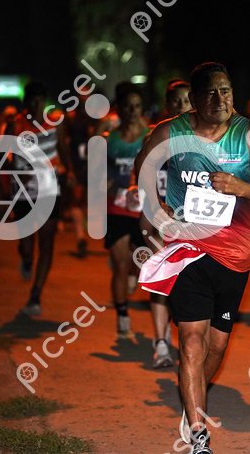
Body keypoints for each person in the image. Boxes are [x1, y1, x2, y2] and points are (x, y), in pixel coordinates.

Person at [135, 62, 250, 453]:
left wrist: (242, 188)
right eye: (212, 92)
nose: (221, 99)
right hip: (187, 247)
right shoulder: (170, 133)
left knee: (216, 346)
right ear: (195, 99)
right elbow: (143, 167)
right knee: (191, 342)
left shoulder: (249, 135)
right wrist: (155, 208)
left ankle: (194, 396)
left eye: (226, 91)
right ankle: (198, 427)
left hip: (236, 253)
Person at [131, 78, 193, 368]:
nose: (182, 106)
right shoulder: (158, 135)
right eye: (176, 101)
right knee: (162, 273)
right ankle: (160, 343)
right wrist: (156, 204)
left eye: (187, 100)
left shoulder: (206, 137)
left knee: (187, 280)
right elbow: (141, 172)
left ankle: (185, 333)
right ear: (167, 105)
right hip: (159, 216)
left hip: (193, 221)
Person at [13, 83, 72, 316]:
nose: (37, 105)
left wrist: (71, 172)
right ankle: (27, 260)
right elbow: (7, 154)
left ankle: (35, 295)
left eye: (40, 100)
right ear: (26, 103)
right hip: (23, 191)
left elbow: (63, 148)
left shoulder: (56, 122)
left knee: (46, 242)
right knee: (27, 245)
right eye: (32, 101)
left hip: (49, 189)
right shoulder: (16, 124)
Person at [105, 82, 150, 341]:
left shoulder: (151, 136)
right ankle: (122, 317)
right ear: (120, 109)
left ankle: (134, 273)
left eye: (137, 106)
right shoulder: (110, 139)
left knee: (140, 261)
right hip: (117, 207)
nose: (133, 111)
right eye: (128, 106)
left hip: (144, 208)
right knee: (120, 265)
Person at [65, 85, 98, 258]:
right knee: (76, 199)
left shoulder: (96, 118)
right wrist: (69, 167)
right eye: (81, 95)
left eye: (87, 95)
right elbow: (65, 143)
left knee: (86, 201)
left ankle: (83, 234)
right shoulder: (70, 117)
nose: (84, 99)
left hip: (92, 165)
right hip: (77, 164)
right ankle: (80, 238)